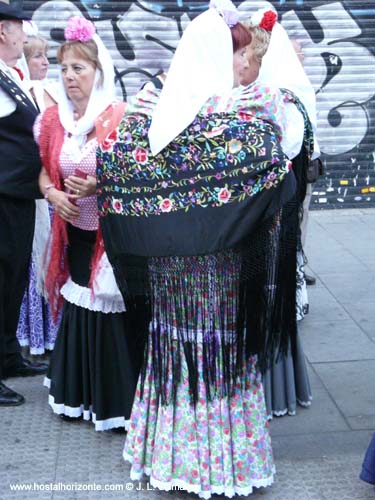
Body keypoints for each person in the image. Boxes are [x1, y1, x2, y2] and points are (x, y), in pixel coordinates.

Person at [96, 0, 300, 495]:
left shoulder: (147, 112)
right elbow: (285, 160)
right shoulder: (247, 114)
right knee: (216, 352)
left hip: (170, 275)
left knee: (177, 349)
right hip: (222, 274)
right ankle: (218, 461)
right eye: (234, 56)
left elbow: (114, 175)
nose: (242, 67)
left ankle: (172, 457)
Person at [37, 15, 143, 431]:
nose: (68, 77)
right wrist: (53, 193)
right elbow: (43, 170)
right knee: (81, 300)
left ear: (100, 73)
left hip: (112, 239)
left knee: (111, 308)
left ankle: (118, 400)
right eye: (63, 69)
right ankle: (81, 392)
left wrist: (100, 183)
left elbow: (138, 174)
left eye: (78, 68)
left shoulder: (120, 117)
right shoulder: (53, 121)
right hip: (75, 235)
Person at [243, 9, 317, 418]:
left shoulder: (283, 104)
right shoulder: (241, 98)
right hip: (253, 218)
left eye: (244, 56)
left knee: (270, 292)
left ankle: (273, 387)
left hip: (272, 216)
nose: (237, 63)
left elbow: (280, 156)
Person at [0, 1, 48, 407]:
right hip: (2, 193)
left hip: (16, 192)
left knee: (13, 277)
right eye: (19, 27)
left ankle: (7, 356)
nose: (24, 33)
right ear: (3, 31)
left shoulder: (9, 75)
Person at [16, 29, 59, 356]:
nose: (45, 62)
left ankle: (54, 332)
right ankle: (33, 335)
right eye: (37, 57)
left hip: (57, 190)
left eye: (46, 56)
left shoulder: (53, 90)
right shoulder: (22, 95)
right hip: (33, 189)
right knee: (32, 261)